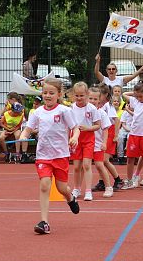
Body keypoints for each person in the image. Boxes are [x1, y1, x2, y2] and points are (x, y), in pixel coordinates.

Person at [19, 78, 80, 234]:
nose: (47, 95)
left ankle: (70, 198)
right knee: (45, 185)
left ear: (59, 94)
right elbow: (28, 128)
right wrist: (23, 135)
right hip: (43, 156)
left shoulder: (64, 111)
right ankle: (44, 222)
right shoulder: (37, 112)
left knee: (62, 188)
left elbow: (75, 128)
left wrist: (74, 137)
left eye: (51, 93)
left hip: (60, 155)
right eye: (45, 92)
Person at [68, 82, 100, 201]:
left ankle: (88, 190)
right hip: (76, 139)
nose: (79, 98)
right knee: (76, 167)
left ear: (87, 94)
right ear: (73, 95)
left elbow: (97, 125)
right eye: (77, 95)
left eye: (82, 95)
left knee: (86, 165)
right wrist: (68, 139)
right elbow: (68, 126)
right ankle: (76, 188)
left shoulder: (92, 108)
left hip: (88, 139)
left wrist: (87, 128)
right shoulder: (71, 108)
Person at [87, 86, 113, 198]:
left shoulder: (102, 113)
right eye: (90, 98)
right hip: (87, 143)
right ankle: (78, 188)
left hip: (98, 143)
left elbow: (106, 129)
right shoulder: (85, 111)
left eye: (95, 99)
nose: (92, 101)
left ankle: (108, 187)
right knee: (84, 165)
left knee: (99, 164)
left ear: (99, 100)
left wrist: (104, 143)